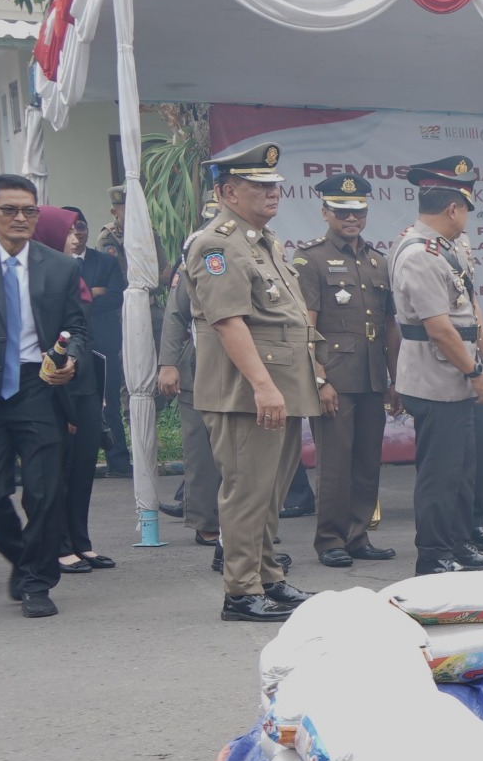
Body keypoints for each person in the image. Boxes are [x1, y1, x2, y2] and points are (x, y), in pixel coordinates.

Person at [184, 141, 332, 622]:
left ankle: (268, 576)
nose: (272, 194)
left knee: (270, 492)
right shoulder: (218, 244)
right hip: (246, 392)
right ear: (228, 191)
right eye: (259, 186)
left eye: (274, 186)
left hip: (280, 387)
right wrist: (263, 386)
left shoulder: (261, 241)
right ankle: (241, 591)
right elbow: (228, 321)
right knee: (247, 493)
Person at [0, 173, 88, 616]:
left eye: (29, 210)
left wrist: (71, 360)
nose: (21, 218)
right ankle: (26, 558)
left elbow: (76, 328)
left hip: (36, 385)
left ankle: (36, 583)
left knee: (44, 492)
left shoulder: (60, 266)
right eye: (10, 210)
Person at [390, 157, 483, 576]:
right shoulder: (419, 254)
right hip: (435, 379)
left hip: (461, 375)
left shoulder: (452, 248)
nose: (467, 217)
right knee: (440, 473)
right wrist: (474, 373)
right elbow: (438, 329)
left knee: (463, 468)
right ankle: (433, 555)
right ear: (453, 208)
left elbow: (471, 311)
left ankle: (460, 543)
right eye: (466, 208)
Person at [289, 173, 396, 568]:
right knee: (335, 464)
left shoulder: (376, 260)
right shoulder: (310, 258)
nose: (351, 217)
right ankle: (330, 538)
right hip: (334, 374)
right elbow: (306, 323)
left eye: (358, 211)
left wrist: (394, 379)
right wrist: (318, 378)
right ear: (325, 212)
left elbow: (388, 326)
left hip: (371, 375)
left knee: (367, 461)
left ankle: (358, 534)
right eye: (342, 210)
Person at [37, 208, 114, 577]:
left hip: (83, 380)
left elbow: (83, 333)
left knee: (82, 467)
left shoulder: (70, 275)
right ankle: (59, 545)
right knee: (59, 471)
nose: (75, 238)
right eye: (67, 232)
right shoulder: (42, 281)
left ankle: (80, 540)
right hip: (57, 385)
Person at [157, 201, 224, 554]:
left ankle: (246, 523)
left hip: (247, 362)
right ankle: (206, 523)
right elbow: (174, 316)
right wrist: (168, 363)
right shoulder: (195, 258)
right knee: (201, 448)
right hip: (199, 362)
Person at [66, 203, 131, 475]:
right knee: (70, 404)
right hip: (68, 346)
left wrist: (80, 298)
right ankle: (77, 462)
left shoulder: (104, 261)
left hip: (103, 342)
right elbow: (59, 303)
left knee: (109, 402)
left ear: (87, 228)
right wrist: (93, 293)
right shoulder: (52, 263)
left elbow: (117, 296)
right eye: (70, 228)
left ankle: (118, 460)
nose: (76, 233)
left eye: (80, 227)